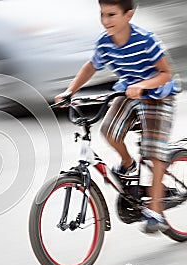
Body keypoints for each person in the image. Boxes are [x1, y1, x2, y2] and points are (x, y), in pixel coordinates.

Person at [54, 0, 182, 233]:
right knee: (109, 131)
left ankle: (155, 211)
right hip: (129, 92)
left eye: (112, 14)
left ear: (128, 15)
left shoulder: (146, 40)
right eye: (102, 14)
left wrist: (143, 85)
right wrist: (69, 91)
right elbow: (91, 67)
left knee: (154, 151)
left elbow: (166, 74)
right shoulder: (105, 43)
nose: (106, 20)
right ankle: (128, 163)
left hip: (158, 95)